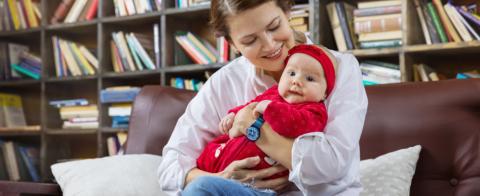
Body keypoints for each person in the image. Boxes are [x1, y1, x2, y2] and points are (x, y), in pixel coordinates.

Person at [158, 0, 368, 195]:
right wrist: (221, 180)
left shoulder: (341, 68)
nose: (269, 45)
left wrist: (252, 126)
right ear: (232, 44)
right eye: (250, 40)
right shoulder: (225, 82)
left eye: (274, 26)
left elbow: (331, 164)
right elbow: (170, 167)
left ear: (287, 13)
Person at [195, 44, 338, 184]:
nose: (296, 81)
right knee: (199, 179)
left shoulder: (315, 111)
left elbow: (296, 125)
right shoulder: (274, 92)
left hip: (256, 182)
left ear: (325, 93)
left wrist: (271, 109)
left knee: (203, 187)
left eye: (310, 79)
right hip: (222, 154)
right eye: (292, 73)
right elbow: (250, 105)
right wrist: (233, 115)